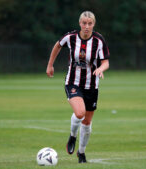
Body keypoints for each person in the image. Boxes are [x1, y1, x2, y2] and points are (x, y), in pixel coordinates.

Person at [46, 11, 110, 163]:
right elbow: (57, 45)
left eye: (90, 23)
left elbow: (106, 62)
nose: (86, 26)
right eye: (84, 23)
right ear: (80, 23)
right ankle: (72, 135)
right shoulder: (71, 37)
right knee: (80, 113)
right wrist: (50, 65)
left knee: (87, 123)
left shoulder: (98, 40)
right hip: (73, 82)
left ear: (93, 24)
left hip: (92, 85)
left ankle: (81, 153)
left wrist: (101, 69)